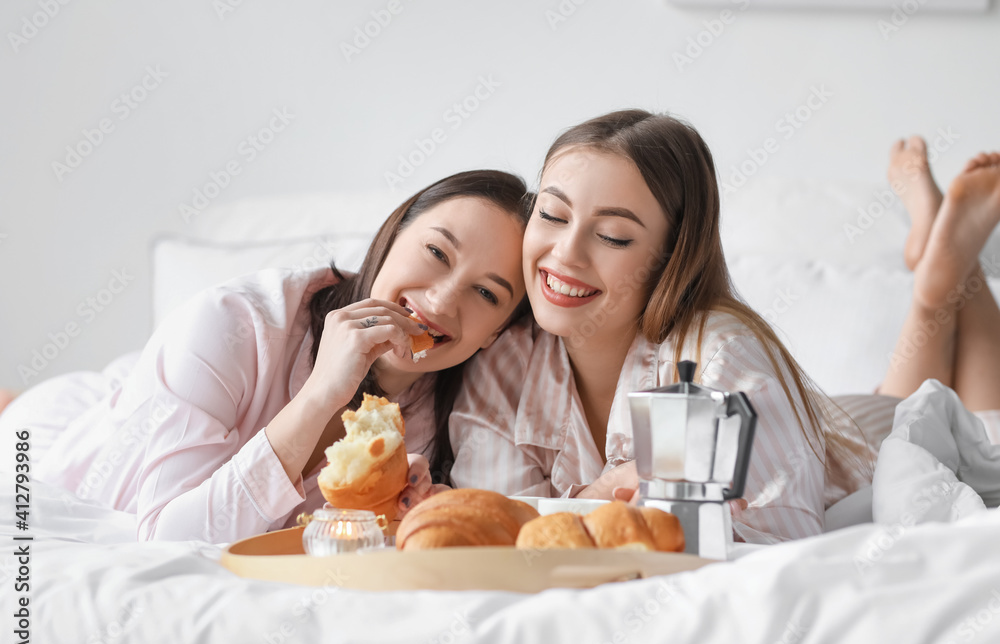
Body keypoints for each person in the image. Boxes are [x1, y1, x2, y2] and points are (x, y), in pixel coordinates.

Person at [0, 169, 531, 542]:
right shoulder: (234, 319)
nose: (441, 301)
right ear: (389, 237)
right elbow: (168, 535)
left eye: (486, 294)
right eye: (437, 252)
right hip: (60, 441)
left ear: (495, 332)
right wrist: (323, 395)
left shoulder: (455, 409)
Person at [449, 110, 873, 544]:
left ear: (672, 257)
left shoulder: (721, 357)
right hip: (832, 416)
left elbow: (782, 546)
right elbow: (503, 536)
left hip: (860, 439)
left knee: (914, 407)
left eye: (613, 236)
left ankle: (934, 293)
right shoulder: (503, 365)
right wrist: (605, 497)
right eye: (553, 216)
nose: (566, 253)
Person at [876, 137, 1000, 434]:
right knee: (987, 449)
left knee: (894, 447)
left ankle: (933, 283)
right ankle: (944, 273)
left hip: (887, 455)